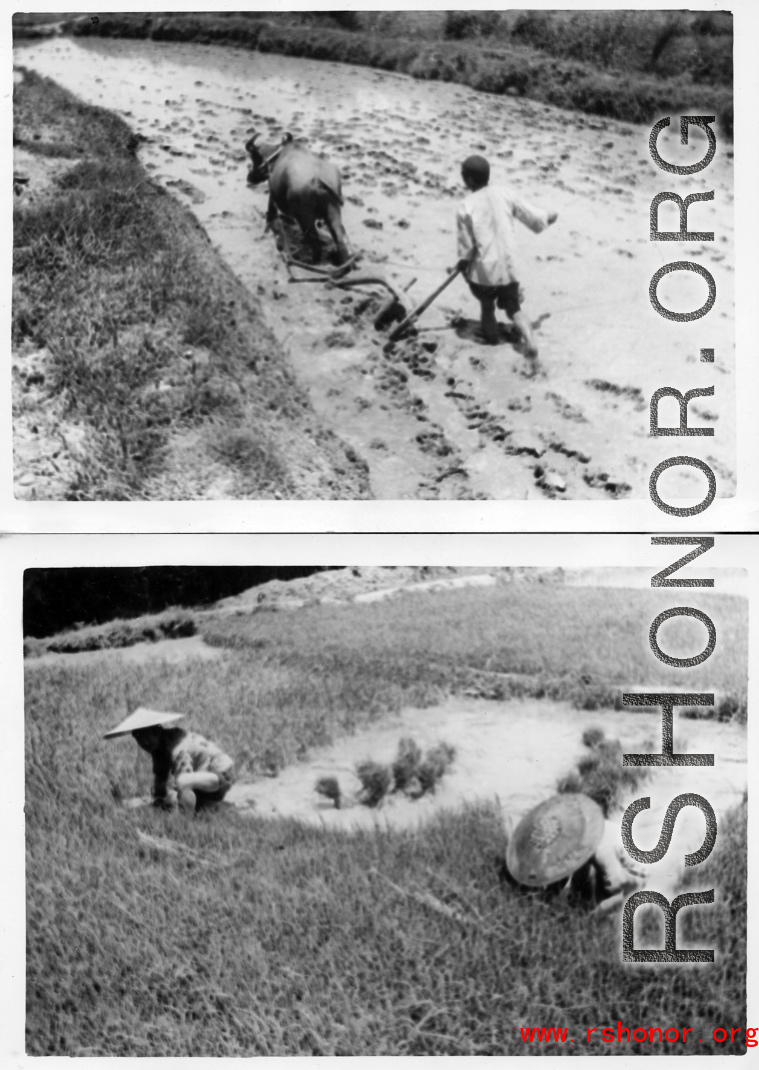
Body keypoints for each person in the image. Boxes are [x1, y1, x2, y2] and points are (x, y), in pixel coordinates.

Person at [455, 154, 558, 355]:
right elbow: (533, 217)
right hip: (508, 268)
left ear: (467, 179)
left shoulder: (465, 206)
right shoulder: (506, 193)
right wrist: (548, 217)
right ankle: (530, 341)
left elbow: (466, 248)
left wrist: (462, 265)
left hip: (484, 272)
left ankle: (492, 341)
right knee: (514, 309)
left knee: (487, 306)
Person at [104, 707, 235, 815]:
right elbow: (160, 777)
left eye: (148, 737)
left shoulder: (174, 748)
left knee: (181, 787)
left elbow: (189, 771)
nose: (144, 742)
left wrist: (180, 793)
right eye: (139, 739)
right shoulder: (158, 750)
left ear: (158, 731)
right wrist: (158, 798)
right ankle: (204, 803)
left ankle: (191, 816)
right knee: (178, 797)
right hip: (206, 776)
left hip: (219, 773)